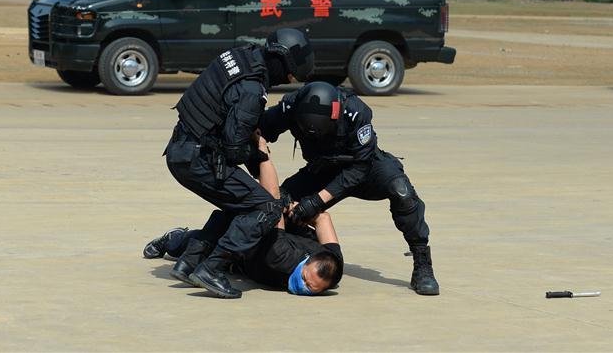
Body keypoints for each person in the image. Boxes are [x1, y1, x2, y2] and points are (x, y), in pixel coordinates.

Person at [164, 28, 313, 298]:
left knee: (244, 204)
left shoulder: (242, 56)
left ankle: (188, 263)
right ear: (281, 62)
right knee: (266, 208)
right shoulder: (252, 90)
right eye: (290, 75)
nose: (286, 81)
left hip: (182, 150)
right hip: (199, 159)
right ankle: (213, 268)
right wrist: (259, 151)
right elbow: (234, 149)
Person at [259, 81, 440, 295]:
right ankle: (275, 252)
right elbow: (261, 129)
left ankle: (422, 264)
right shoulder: (293, 104)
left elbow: (359, 169)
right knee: (278, 201)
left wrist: (316, 202)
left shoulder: (356, 112)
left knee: (402, 191)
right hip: (323, 168)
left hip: (365, 168)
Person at [147, 133, 343, 295]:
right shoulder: (282, 256)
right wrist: (263, 152)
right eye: (305, 279)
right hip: (250, 232)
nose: (303, 287)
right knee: (196, 242)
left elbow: (323, 220)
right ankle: (171, 239)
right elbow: (272, 202)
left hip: (243, 257)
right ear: (306, 263)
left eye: (311, 289)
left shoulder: (332, 266)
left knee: (215, 247)